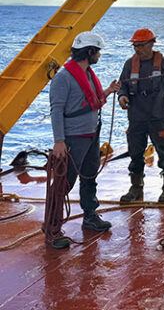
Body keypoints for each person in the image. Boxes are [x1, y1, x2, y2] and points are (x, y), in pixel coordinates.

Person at [47, 31, 121, 248]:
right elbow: (56, 110)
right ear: (89, 52)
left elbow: (89, 101)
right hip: (73, 138)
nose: (99, 55)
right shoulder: (63, 78)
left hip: (91, 135)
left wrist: (107, 91)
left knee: (89, 176)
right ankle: (51, 227)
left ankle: (90, 216)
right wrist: (59, 141)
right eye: (97, 51)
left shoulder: (88, 74)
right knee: (64, 181)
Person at [117, 28, 164, 203]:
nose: (138, 49)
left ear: (152, 44)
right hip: (136, 117)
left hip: (158, 117)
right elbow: (123, 85)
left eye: (141, 45)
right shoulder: (130, 64)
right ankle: (136, 188)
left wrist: (158, 101)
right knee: (135, 152)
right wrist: (122, 96)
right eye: (135, 46)